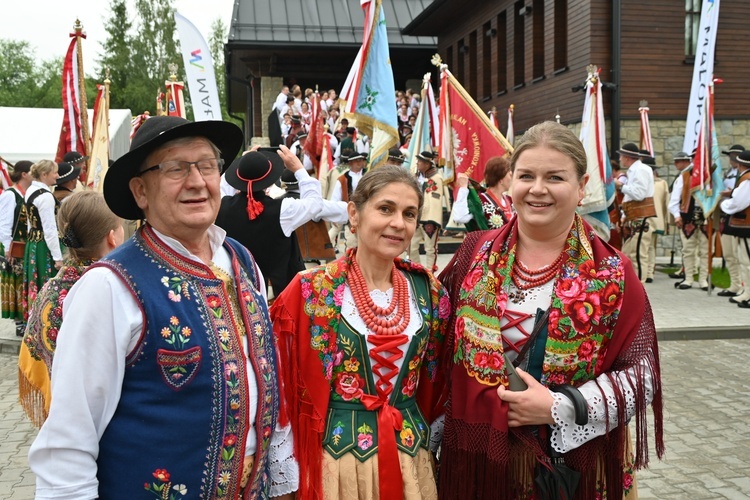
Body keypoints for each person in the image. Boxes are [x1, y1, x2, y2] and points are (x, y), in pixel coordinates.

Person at [29, 116, 297, 499]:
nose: (196, 181)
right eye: (175, 168)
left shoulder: (242, 262)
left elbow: (267, 382)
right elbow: (70, 440)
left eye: (207, 165)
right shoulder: (107, 286)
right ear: (141, 191)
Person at [438, 121, 663, 499]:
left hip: (572, 468)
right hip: (477, 460)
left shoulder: (613, 272)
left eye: (555, 177)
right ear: (511, 182)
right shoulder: (473, 253)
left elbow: (642, 377)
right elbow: (434, 341)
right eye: (526, 175)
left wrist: (560, 406)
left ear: (581, 186)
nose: (537, 189)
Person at [270, 165, 451, 499]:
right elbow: (280, 386)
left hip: (410, 461)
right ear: (353, 212)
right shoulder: (310, 290)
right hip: (337, 464)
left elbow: (436, 382)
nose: (398, 223)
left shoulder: (430, 291)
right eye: (386, 209)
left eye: (409, 214)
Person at [18, 191, 124, 427]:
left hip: (61, 417)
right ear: (112, 237)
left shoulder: (51, 287)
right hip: (107, 421)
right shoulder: (116, 288)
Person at [215, 145, 323, 298]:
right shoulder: (283, 210)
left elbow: (221, 188)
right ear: (269, 181)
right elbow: (315, 203)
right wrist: (299, 169)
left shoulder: (222, 206)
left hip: (237, 291)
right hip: (278, 293)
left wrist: (245, 162)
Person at [23, 160, 62, 320]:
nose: (57, 176)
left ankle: (36, 318)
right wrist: (58, 257)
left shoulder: (30, 190)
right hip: (44, 246)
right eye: (55, 172)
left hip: (33, 243)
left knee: (36, 281)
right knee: (48, 282)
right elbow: (50, 229)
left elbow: (30, 224)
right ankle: (47, 319)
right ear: (44, 174)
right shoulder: (45, 197)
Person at [668, 150, 711, 290]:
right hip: (688, 217)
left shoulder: (711, 176)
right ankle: (688, 278)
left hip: (706, 216)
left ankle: (704, 279)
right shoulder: (685, 176)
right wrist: (677, 215)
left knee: (705, 250)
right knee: (688, 249)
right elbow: (674, 199)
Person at [0, 160, 32, 335]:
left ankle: (26, 318)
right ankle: (19, 322)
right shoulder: (10, 195)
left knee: (24, 282)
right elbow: (4, 224)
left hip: (25, 246)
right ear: (24, 174)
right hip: (13, 246)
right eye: (32, 171)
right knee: (16, 283)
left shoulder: (28, 193)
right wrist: (7, 248)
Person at [615, 143, 655, 282]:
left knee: (637, 255)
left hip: (641, 216)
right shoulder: (635, 170)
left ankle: (639, 289)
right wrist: (624, 217)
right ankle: (632, 287)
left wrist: (621, 186)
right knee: (628, 254)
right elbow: (631, 197)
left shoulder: (641, 170)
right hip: (634, 216)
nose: (620, 159)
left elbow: (639, 194)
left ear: (627, 157)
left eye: (621, 156)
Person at [451, 155, 514, 231]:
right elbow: (459, 218)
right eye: (510, 175)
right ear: (501, 179)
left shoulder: (510, 200)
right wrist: (463, 189)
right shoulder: (479, 201)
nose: (512, 178)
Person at [720, 150, 750, 308]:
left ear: (740, 164)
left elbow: (738, 202)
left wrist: (723, 205)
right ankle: (746, 291)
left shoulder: (747, 179)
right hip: (745, 225)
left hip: (747, 226)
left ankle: (749, 293)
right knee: (744, 260)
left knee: (747, 261)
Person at [408, 151, 443, 271]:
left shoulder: (436, 178)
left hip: (429, 219)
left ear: (427, 164)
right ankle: (417, 270)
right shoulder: (415, 177)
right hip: (416, 218)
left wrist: (432, 218)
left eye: (420, 162)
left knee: (430, 248)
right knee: (412, 246)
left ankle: (430, 274)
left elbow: (435, 201)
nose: (417, 163)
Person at [330, 150, 368, 251]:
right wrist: (334, 214)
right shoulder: (342, 179)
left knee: (363, 240)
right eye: (356, 161)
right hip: (348, 211)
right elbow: (335, 198)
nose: (359, 162)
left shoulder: (367, 176)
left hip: (365, 211)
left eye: (360, 160)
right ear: (350, 163)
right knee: (350, 241)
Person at [644, 155, 669, 284]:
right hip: (647, 217)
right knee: (647, 247)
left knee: (649, 246)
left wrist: (667, 221)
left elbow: (666, 203)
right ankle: (647, 272)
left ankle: (649, 272)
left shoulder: (661, 183)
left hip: (653, 218)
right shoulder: (659, 183)